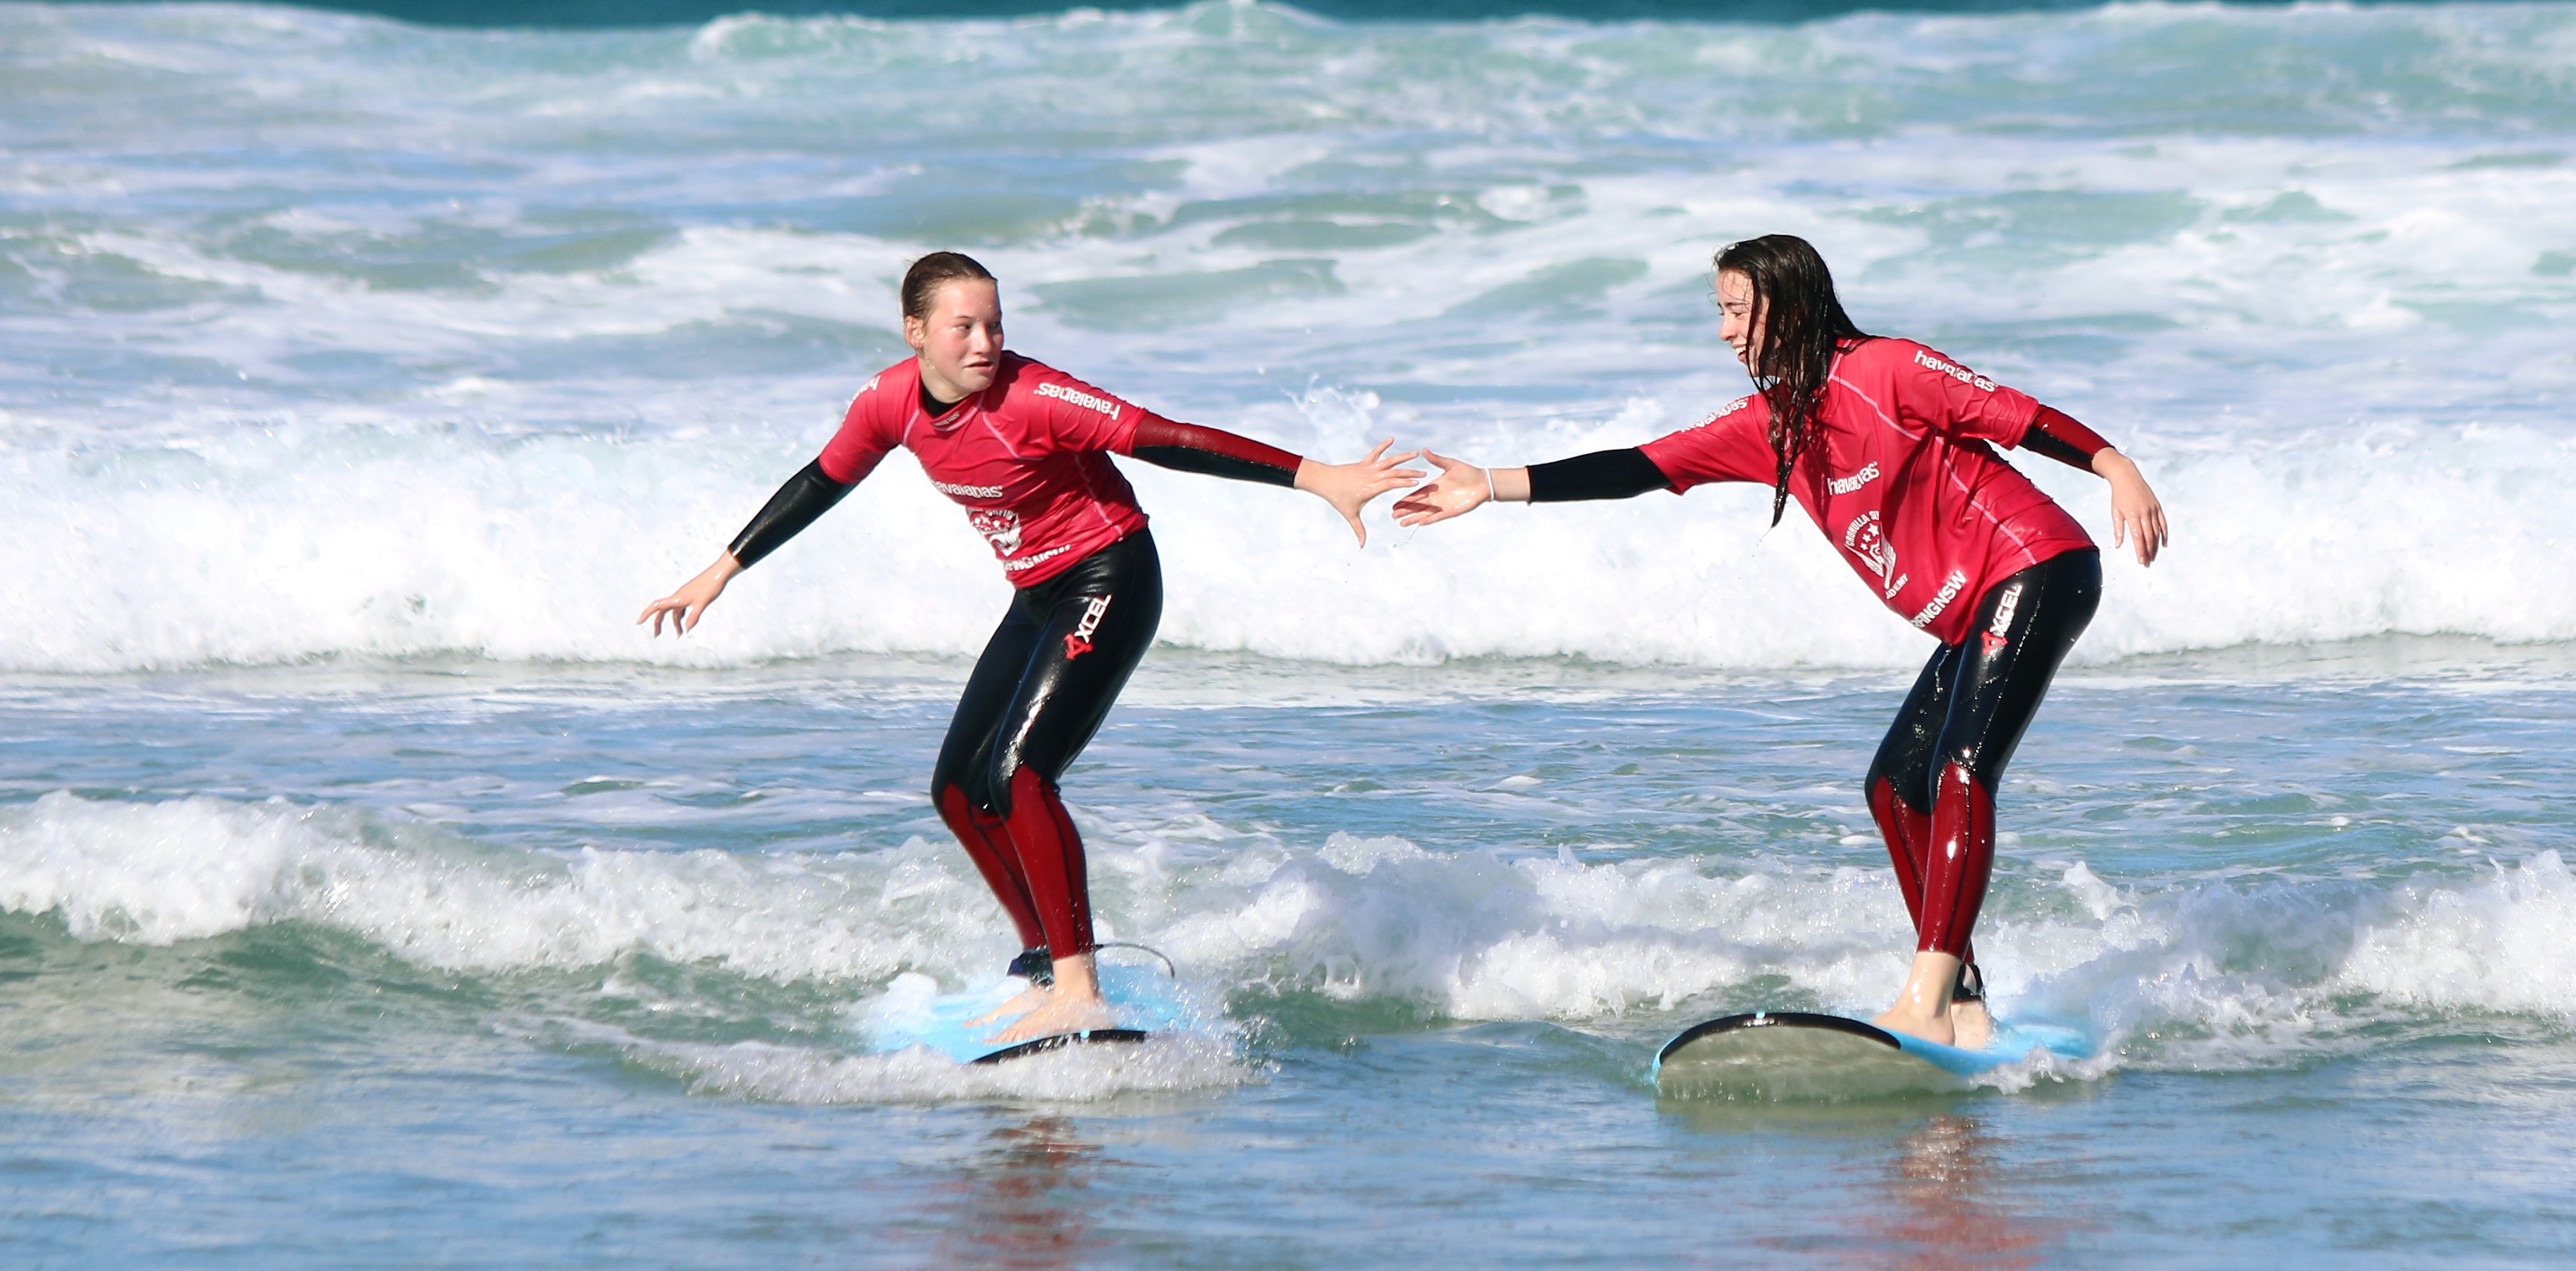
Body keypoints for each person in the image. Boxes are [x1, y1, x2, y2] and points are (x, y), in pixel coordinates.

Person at [1392, 234, 2167, 1048]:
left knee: (1962, 767)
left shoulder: (1887, 369)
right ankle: (1964, 999)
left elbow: (2016, 414)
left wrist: (2115, 465)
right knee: (1894, 788)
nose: (1726, 332)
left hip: (2037, 563)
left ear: (1787, 308)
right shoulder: (1774, 424)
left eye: (1737, 311)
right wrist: (1493, 485)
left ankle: (1928, 996)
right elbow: (1639, 466)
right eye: (1720, 313)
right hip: (1978, 605)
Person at [640, 251, 1420, 1045]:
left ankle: (1079, 987)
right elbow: (823, 479)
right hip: (1039, 593)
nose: (985, 342)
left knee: (1022, 777)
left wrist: (1314, 474)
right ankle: (1045, 963)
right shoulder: (888, 404)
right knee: (958, 789)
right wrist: (723, 568)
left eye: (996, 324)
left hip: (1109, 577)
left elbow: (1167, 437)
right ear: (915, 332)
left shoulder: (1038, 397)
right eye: (964, 326)